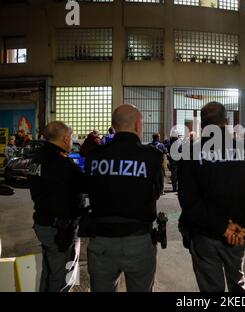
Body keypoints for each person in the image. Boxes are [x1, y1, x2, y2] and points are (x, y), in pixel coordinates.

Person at [178, 102, 245, 292]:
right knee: (238, 282)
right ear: (226, 122)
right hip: (237, 233)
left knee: (211, 288)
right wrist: (244, 226)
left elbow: (189, 201)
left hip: (205, 235)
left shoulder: (191, 152)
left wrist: (222, 227)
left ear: (202, 125)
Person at [84, 104, 164, 292]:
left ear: (114, 125)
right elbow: (157, 190)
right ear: (138, 125)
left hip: (101, 241)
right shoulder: (152, 156)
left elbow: (89, 187)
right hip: (138, 240)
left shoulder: (94, 155)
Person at [28, 121, 86, 292]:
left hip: (44, 223)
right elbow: (87, 184)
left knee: (50, 271)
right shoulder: (62, 164)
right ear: (66, 137)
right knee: (62, 276)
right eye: (71, 137)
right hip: (60, 229)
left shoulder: (37, 158)